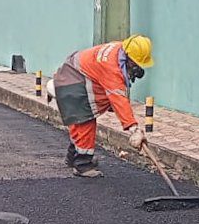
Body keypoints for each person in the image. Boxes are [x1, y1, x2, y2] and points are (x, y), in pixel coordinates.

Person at [50, 35, 153, 177]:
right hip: (72, 83)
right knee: (85, 120)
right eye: (135, 64)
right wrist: (134, 129)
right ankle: (83, 165)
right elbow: (119, 99)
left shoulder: (120, 48)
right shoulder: (112, 68)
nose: (136, 69)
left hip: (70, 75)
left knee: (79, 123)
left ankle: (73, 157)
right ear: (128, 58)